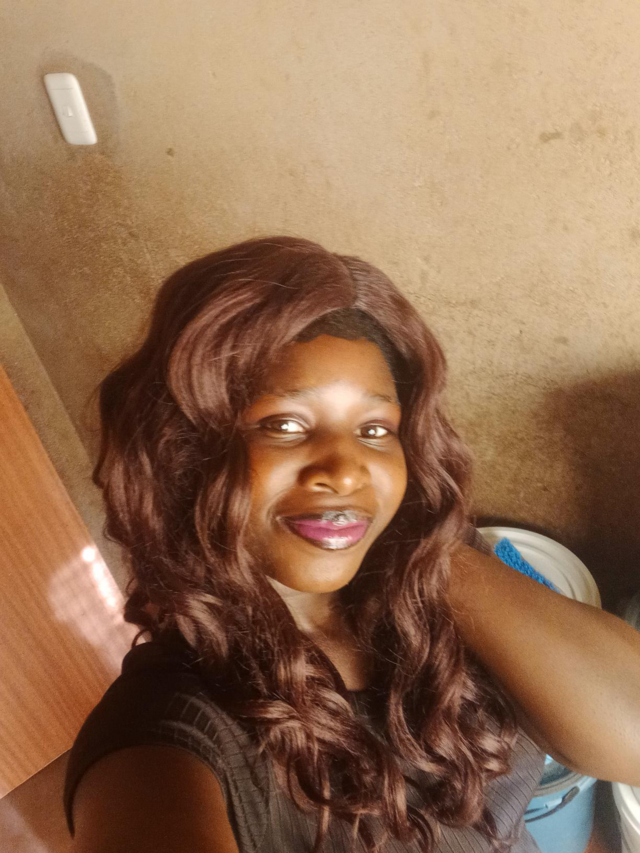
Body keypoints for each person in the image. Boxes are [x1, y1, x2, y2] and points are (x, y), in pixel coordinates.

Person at [63, 236, 640, 853]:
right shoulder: (164, 732)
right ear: (186, 452)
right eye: (284, 425)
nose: (344, 471)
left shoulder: (429, 570)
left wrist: (419, 547)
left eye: (374, 430)